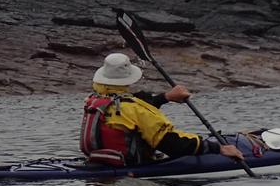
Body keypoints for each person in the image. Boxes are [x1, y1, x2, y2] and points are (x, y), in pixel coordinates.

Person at [81, 52, 245, 166]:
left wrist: (166, 97)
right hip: (134, 167)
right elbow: (171, 144)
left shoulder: (93, 100)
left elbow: (132, 108)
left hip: (102, 161)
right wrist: (219, 148)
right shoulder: (135, 109)